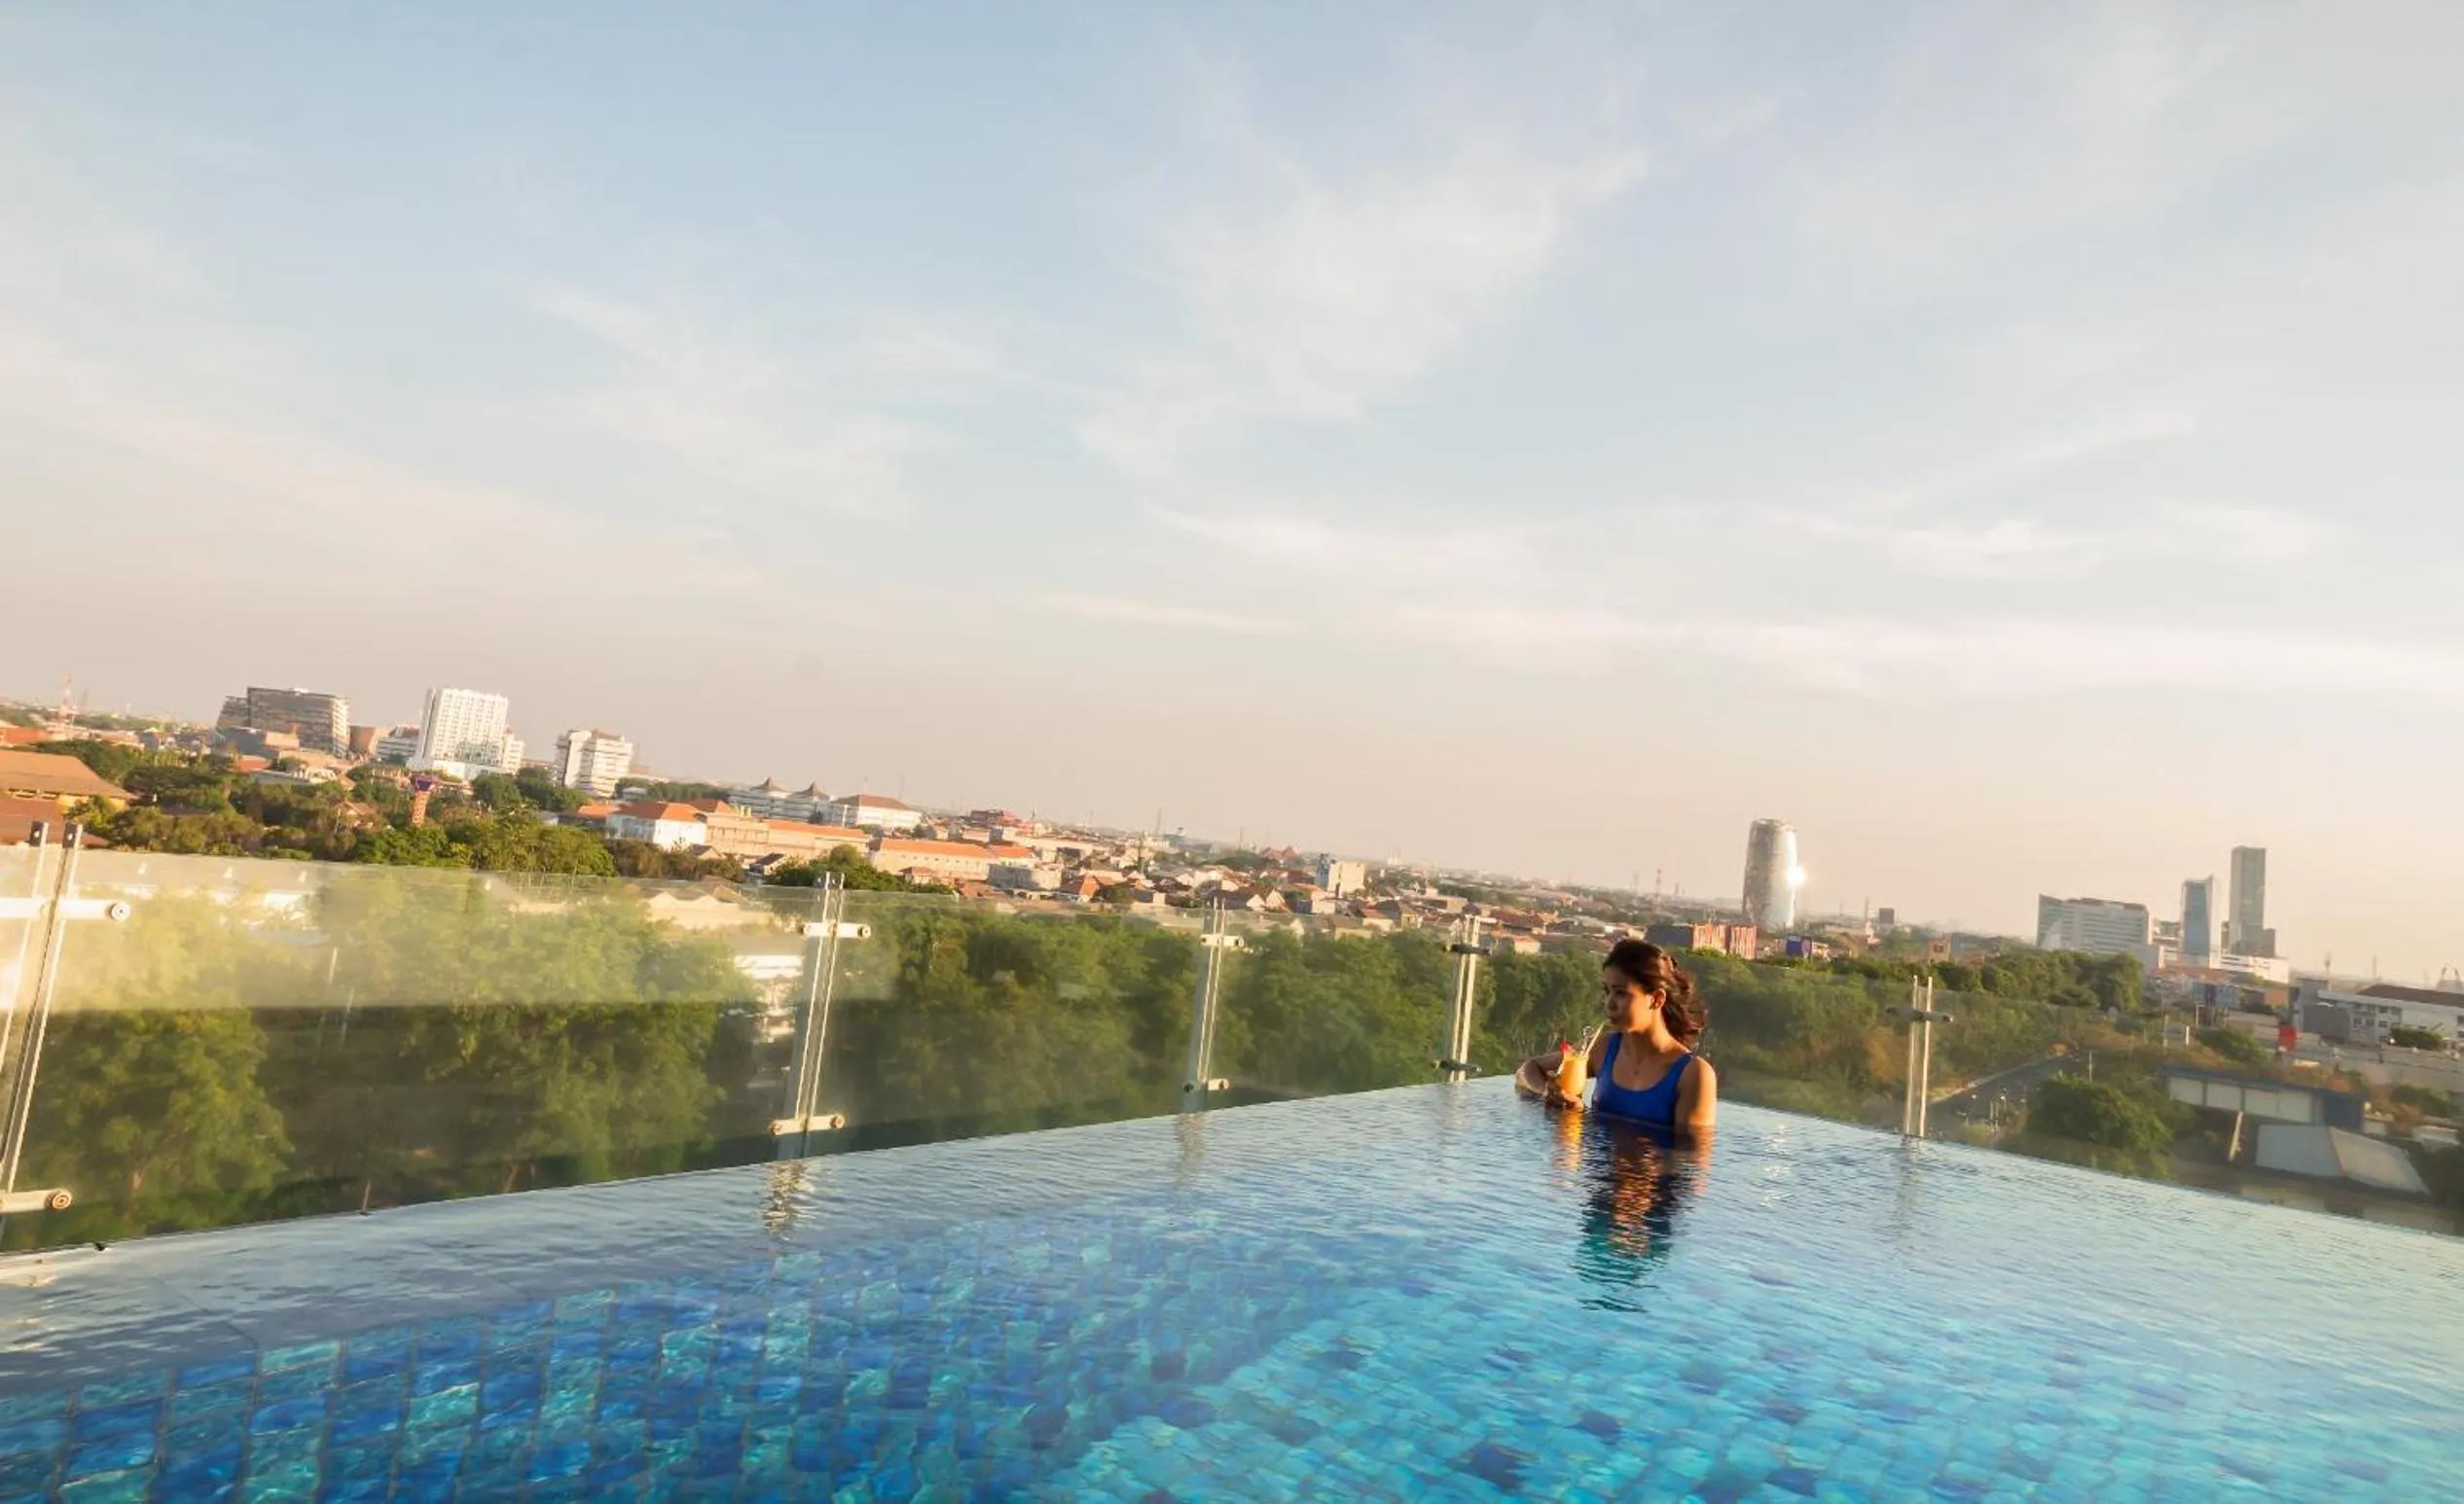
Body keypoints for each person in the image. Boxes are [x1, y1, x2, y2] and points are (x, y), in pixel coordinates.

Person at [1525, 939, 1717, 1134]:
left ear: (1657, 999)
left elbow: (1690, 1158)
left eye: (1621, 993)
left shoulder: (1693, 1074)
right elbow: (1531, 1068)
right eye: (1607, 992)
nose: (1609, 1003)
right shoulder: (1604, 1049)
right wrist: (1550, 1094)